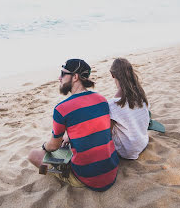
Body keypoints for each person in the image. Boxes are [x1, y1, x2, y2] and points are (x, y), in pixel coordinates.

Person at [28, 59, 118, 191]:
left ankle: (55, 174)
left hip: (87, 178)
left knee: (33, 156)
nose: (59, 78)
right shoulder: (102, 100)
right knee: (67, 144)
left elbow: (53, 146)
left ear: (75, 77)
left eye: (63, 74)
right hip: (112, 171)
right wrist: (69, 137)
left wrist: (43, 147)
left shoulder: (61, 109)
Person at [108, 58, 150, 159]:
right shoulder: (140, 95)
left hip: (127, 151)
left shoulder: (112, 104)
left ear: (112, 75)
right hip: (143, 142)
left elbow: (107, 132)